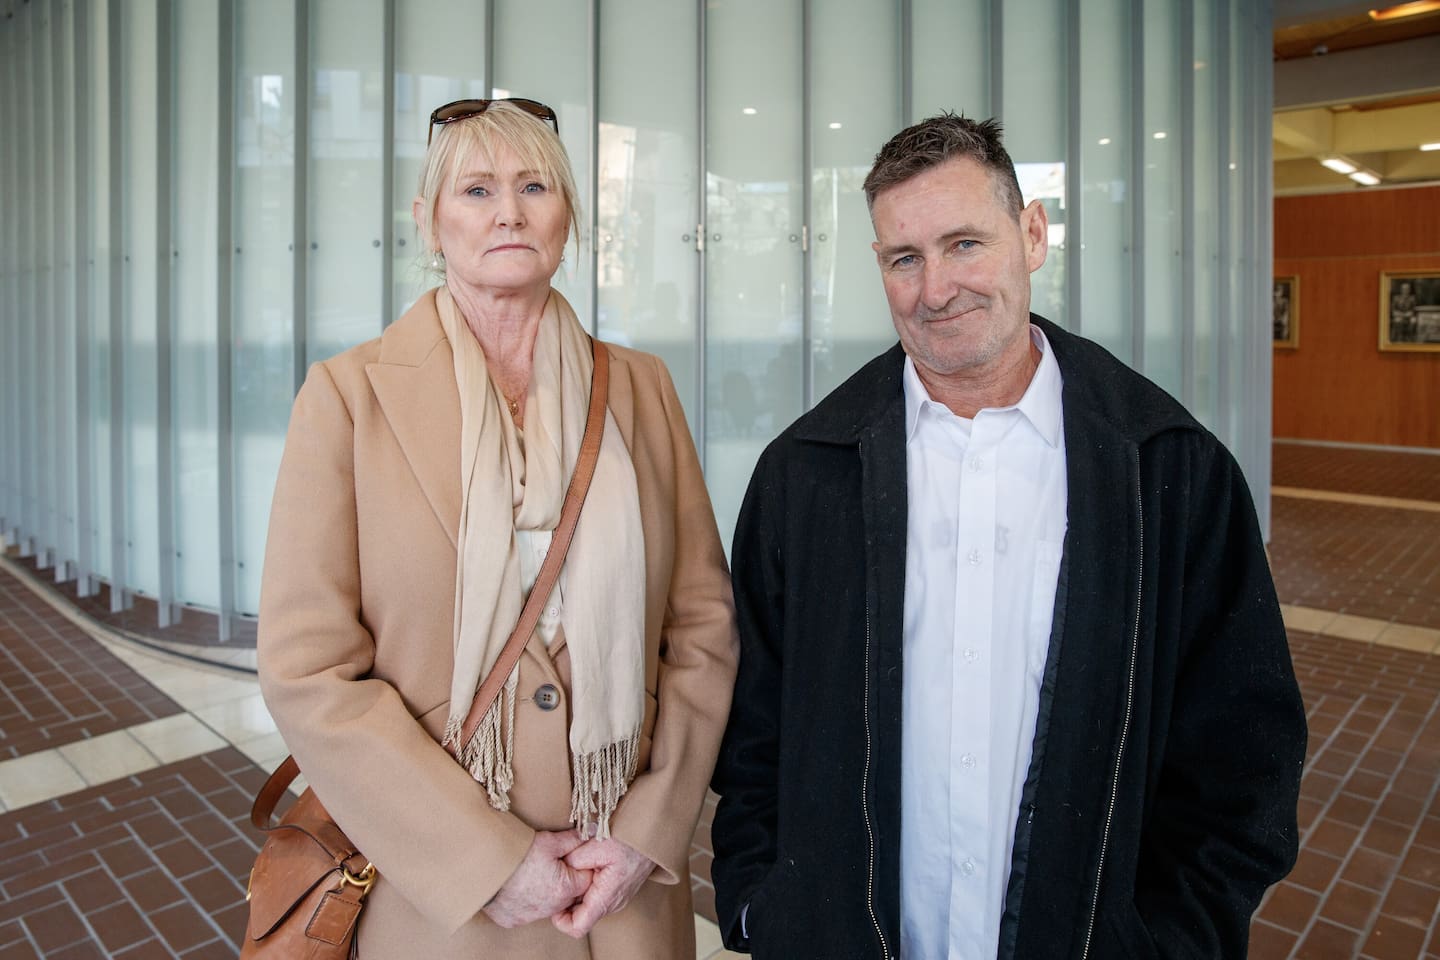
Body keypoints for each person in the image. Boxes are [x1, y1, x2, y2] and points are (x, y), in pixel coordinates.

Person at [710, 113, 1306, 959]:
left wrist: (1172, 941)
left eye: (964, 244)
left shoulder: (1167, 469)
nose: (935, 288)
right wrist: (765, 907)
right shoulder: (806, 474)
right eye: (902, 259)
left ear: (1032, 235)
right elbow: (754, 730)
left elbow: (1244, 755)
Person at [257, 98, 737, 958]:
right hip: (442, 899)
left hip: (615, 890)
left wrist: (649, 827)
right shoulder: (348, 396)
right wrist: (484, 860)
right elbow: (308, 666)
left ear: (569, 217)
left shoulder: (640, 388)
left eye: (534, 186)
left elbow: (701, 627)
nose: (508, 211)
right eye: (475, 189)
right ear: (428, 221)